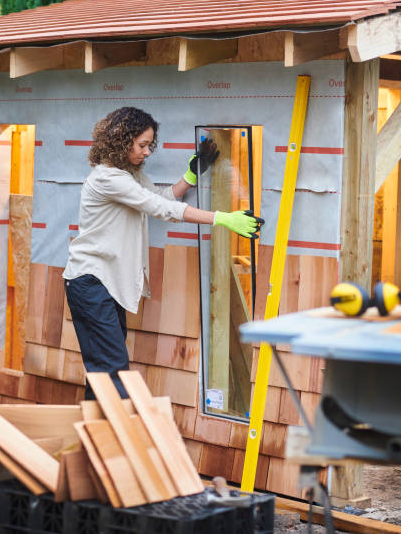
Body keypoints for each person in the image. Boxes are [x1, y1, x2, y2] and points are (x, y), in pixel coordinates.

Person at [63, 107, 263, 398]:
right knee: (112, 369)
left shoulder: (128, 174)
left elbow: (158, 198)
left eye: (149, 146)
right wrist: (222, 218)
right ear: (122, 140)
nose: (147, 152)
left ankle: (97, 435)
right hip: (91, 282)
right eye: (142, 145)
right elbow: (161, 209)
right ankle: (110, 437)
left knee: (105, 371)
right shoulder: (108, 178)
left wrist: (190, 176)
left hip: (103, 283)